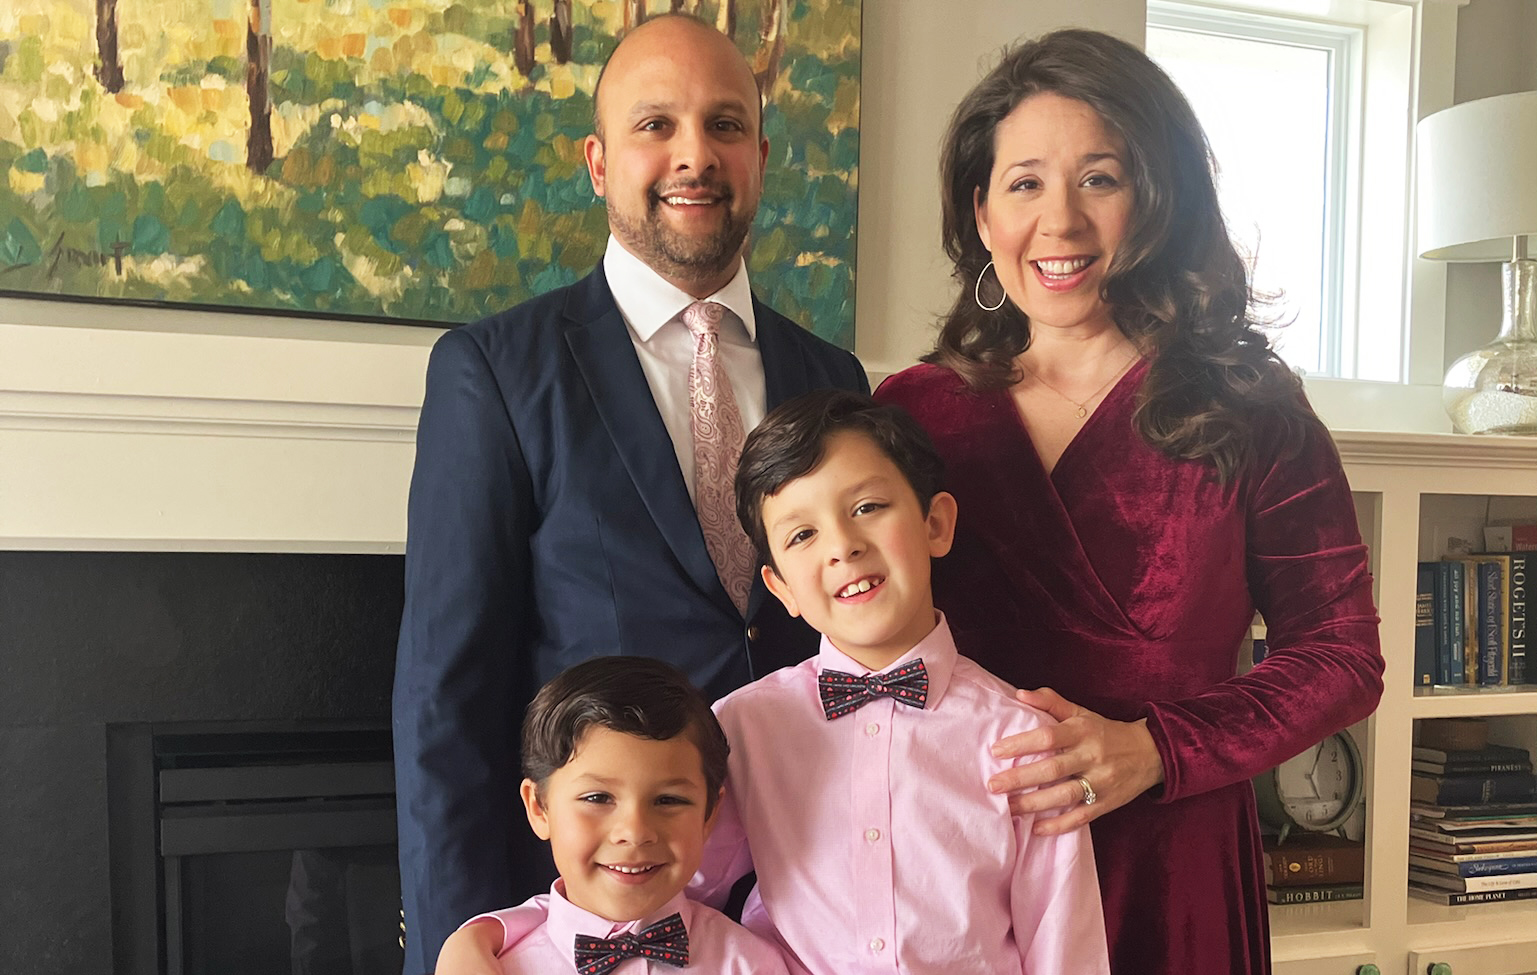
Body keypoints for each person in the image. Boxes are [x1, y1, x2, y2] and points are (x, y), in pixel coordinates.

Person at [873, 29, 1384, 975]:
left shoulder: (1252, 405)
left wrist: (1157, 748)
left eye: (1098, 179)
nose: (1058, 222)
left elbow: (1344, 657)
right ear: (981, 213)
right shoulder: (912, 412)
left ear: (1156, 198)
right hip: (960, 861)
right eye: (1024, 183)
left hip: (1170, 860)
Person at [392, 13, 868, 973]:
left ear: (761, 158)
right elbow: (448, 689)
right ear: (599, 161)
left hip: (805, 907)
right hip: (582, 916)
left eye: (725, 125)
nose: (695, 154)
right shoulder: (494, 371)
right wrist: (459, 936)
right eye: (656, 125)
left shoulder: (834, 377)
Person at [444, 389, 1111, 974]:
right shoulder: (741, 726)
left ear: (935, 522)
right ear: (779, 588)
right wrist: (492, 933)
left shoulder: (1025, 739)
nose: (840, 546)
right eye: (800, 535)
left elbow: (1065, 948)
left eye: (868, 506)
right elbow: (651, 878)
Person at [465, 655, 791, 975]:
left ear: (709, 814)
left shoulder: (752, 965)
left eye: (667, 800)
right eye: (598, 798)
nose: (635, 832)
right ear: (539, 807)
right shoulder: (492, 967)